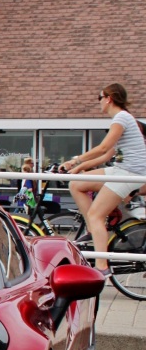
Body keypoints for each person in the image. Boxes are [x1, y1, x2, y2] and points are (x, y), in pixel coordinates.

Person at [61, 83, 146, 271]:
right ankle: (94, 230)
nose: (99, 102)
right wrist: (79, 168)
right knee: (76, 184)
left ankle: (101, 267)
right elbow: (107, 156)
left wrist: (74, 161)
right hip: (121, 169)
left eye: (100, 97)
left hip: (129, 173)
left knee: (95, 214)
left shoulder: (121, 118)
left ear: (109, 98)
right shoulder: (124, 119)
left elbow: (103, 148)